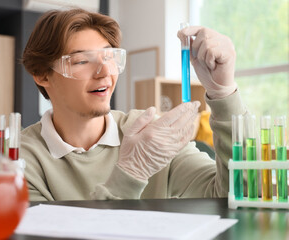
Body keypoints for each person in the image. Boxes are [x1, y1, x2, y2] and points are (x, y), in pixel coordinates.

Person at [21, 8, 247, 201]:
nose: (104, 73)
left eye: (109, 57)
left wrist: (224, 92)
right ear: (42, 75)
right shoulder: (20, 158)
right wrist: (131, 172)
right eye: (82, 61)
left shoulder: (150, 136)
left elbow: (236, 195)